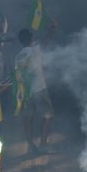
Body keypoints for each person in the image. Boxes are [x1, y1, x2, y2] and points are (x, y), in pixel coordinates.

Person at [15, 21, 56, 154]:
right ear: (31, 38)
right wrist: (52, 27)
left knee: (28, 119)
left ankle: (30, 146)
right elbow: (46, 40)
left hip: (25, 93)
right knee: (48, 115)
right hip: (39, 89)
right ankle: (43, 144)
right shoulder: (35, 50)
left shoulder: (18, 57)